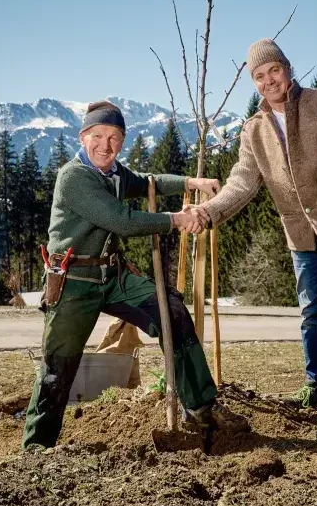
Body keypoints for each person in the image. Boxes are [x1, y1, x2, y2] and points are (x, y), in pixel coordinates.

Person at [188, 39, 317, 439]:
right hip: (299, 231)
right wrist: (207, 212)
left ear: (287, 68)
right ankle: (316, 385)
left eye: (273, 71)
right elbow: (242, 184)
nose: (268, 81)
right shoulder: (254, 130)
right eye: (259, 77)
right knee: (309, 311)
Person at [22, 100, 247, 450]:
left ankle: (200, 406)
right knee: (58, 368)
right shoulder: (75, 177)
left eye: (114, 137)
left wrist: (191, 181)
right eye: (97, 136)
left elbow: (147, 182)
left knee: (171, 312)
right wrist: (176, 219)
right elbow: (121, 222)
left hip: (113, 277)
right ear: (83, 137)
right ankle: (36, 447)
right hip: (74, 282)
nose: (105, 145)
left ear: (122, 141)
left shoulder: (113, 173)